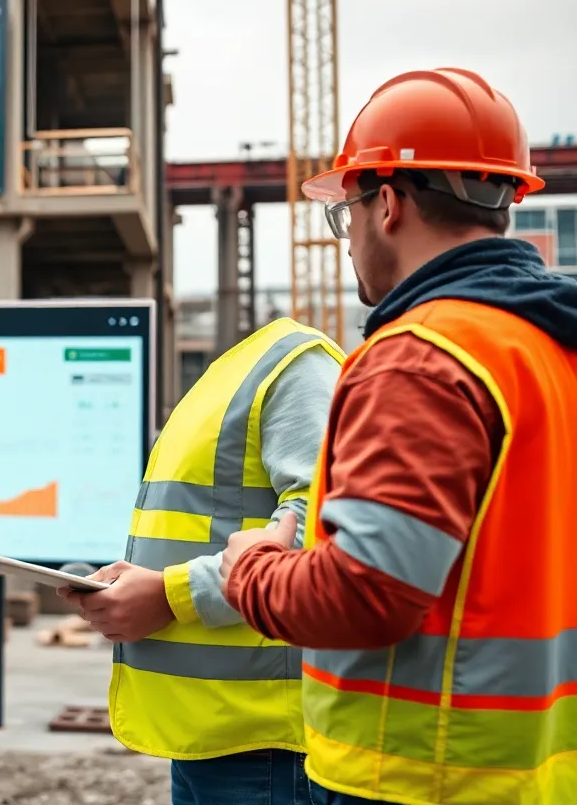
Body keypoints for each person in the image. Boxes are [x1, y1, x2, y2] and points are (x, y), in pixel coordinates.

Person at [220, 68, 577, 805]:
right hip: (531, 771)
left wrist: (247, 569)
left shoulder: (422, 358)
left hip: (416, 773)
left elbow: (366, 596)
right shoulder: (549, 345)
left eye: (344, 212)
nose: (346, 239)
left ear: (386, 203)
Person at [61, 316, 343, 804]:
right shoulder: (229, 376)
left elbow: (320, 530)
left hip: (266, 738)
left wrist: (171, 597)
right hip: (214, 732)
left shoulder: (293, 367)